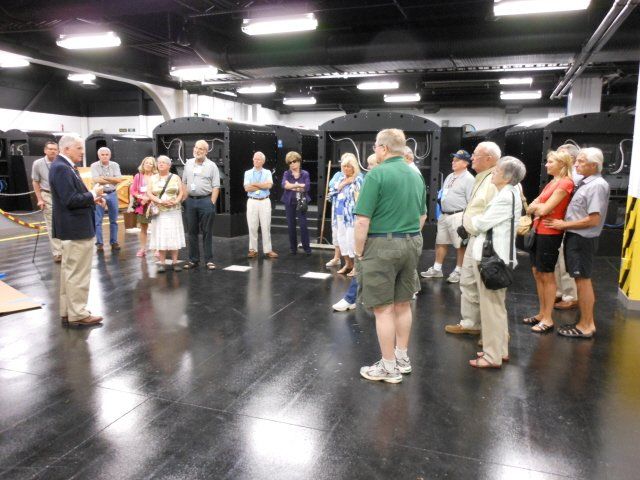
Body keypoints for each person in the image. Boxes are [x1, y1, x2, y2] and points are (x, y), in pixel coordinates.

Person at [355, 128, 427, 383]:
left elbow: (362, 221)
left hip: (382, 245)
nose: (375, 150)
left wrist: (359, 251)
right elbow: (422, 216)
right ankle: (402, 358)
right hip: (412, 242)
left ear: (384, 148)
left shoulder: (376, 174)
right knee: (403, 304)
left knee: (383, 309)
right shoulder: (415, 175)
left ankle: (388, 367)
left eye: (376, 146)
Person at [544, 147, 610, 338]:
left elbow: (593, 219)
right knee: (580, 280)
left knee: (583, 281)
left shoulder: (596, 185)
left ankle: (586, 325)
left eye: (581, 161)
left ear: (594, 165)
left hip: (582, 239)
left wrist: (563, 224)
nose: (576, 164)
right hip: (576, 237)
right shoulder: (585, 182)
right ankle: (585, 322)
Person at [467, 156, 526, 368]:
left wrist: (473, 220)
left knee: (491, 309)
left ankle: (492, 356)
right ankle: (499, 350)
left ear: (507, 177)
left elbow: (481, 224)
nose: (493, 173)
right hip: (498, 258)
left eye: (497, 171)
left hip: (493, 260)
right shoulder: (510, 193)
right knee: (497, 308)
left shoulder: (505, 197)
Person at [445, 142, 500, 335]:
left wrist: (473, 225)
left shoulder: (497, 179)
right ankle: (471, 323)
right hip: (474, 238)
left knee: (487, 288)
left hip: (487, 240)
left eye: (476, 155)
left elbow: (494, 213)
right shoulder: (481, 177)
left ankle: (491, 333)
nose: (472, 158)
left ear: (489, 159)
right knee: (468, 281)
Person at [49, 134, 104, 327]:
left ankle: (68, 311)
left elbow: (71, 197)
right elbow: (70, 200)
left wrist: (93, 199)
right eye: (79, 148)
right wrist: (93, 193)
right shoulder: (62, 168)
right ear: (66, 149)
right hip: (76, 229)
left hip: (72, 228)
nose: (83, 152)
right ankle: (78, 313)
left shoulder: (63, 166)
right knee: (78, 274)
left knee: (70, 273)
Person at [523, 150, 575, 333]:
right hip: (538, 230)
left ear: (562, 164)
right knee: (537, 272)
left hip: (549, 233)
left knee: (547, 274)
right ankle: (541, 314)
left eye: (550, 162)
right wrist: (540, 207)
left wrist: (540, 208)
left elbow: (543, 210)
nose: (546, 165)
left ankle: (548, 318)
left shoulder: (566, 183)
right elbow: (531, 208)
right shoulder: (552, 183)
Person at [332, 154, 380, 312]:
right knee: (359, 259)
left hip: (369, 225)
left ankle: (358, 298)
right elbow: (332, 191)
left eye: (372, 164)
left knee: (365, 261)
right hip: (348, 217)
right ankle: (351, 297)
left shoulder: (364, 179)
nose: (369, 168)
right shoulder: (342, 178)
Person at [421, 149, 475, 283]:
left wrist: (466, 219)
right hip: (444, 215)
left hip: (458, 215)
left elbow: (471, 202)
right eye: (453, 160)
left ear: (465, 163)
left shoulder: (469, 179)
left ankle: (459, 271)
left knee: (460, 245)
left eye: (457, 160)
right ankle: (437, 269)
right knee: (440, 242)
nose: (453, 162)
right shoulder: (450, 176)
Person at [182, 140, 220, 270]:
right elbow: (184, 183)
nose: (197, 150)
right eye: (196, 147)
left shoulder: (212, 166)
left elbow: (216, 186)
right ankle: (193, 260)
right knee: (191, 231)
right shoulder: (188, 163)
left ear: (206, 151)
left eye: (201, 149)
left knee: (207, 231)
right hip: (190, 201)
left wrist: (211, 202)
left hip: (205, 201)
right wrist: (184, 200)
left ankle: (209, 260)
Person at [553, 143, 581, 310]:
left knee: (565, 261)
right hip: (559, 224)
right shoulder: (563, 177)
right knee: (558, 260)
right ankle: (559, 291)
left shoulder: (574, 179)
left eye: (559, 156)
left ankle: (570, 296)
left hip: (568, 225)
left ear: (570, 158)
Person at [147, 156, 185, 273]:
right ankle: (162, 263)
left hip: (174, 211)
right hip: (159, 212)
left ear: (169, 165)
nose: (161, 164)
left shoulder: (175, 177)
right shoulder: (152, 178)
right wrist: (160, 201)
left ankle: (175, 262)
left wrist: (176, 201)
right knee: (161, 235)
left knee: (174, 235)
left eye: (164, 162)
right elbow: (149, 193)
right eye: (159, 162)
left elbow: (181, 192)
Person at [329, 153, 363, 275]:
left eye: (349, 166)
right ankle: (348, 264)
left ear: (354, 167)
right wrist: (343, 183)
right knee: (342, 240)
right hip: (338, 215)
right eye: (344, 166)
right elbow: (332, 191)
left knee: (351, 241)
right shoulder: (340, 178)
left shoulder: (358, 179)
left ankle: (356, 267)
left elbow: (359, 196)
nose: (346, 169)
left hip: (351, 217)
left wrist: (343, 185)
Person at [31, 140, 62, 262]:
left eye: (55, 149)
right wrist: (39, 199)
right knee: (51, 224)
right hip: (47, 195)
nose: (53, 151)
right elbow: (35, 181)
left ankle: (66, 250)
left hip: (62, 196)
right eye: (50, 149)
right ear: (45, 150)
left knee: (63, 222)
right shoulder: (38, 164)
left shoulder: (61, 162)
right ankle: (58, 252)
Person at [244, 151, 278, 258]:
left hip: (264, 201)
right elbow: (247, 188)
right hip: (252, 201)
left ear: (263, 161)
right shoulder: (247, 173)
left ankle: (268, 250)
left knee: (266, 226)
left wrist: (254, 184)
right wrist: (262, 185)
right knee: (252, 226)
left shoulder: (267, 172)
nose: (256, 160)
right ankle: (253, 250)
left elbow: (269, 186)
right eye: (254, 158)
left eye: (258, 159)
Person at [90, 147, 124, 251]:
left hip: (112, 193)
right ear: (98, 156)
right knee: (98, 220)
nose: (104, 156)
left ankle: (114, 242)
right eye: (102, 154)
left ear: (110, 155)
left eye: (106, 154)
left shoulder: (115, 165)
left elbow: (119, 179)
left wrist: (103, 178)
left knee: (114, 220)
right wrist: (112, 179)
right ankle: (99, 243)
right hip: (100, 194)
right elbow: (96, 179)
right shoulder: (94, 165)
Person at [281, 151, 312, 255]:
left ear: (299, 161)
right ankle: (293, 248)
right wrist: (298, 185)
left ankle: (307, 248)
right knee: (291, 225)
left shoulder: (305, 173)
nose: (292, 164)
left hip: (301, 201)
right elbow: (284, 185)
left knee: (303, 225)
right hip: (289, 201)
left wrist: (291, 186)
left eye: (294, 161)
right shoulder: (286, 173)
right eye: (290, 162)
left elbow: (306, 187)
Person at [129, 156, 157, 257]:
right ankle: (142, 249)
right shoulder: (138, 176)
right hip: (142, 205)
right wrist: (140, 197)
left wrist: (149, 198)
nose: (148, 165)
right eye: (146, 163)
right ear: (143, 164)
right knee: (143, 228)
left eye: (150, 163)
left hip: (153, 205)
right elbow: (133, 190)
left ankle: (157, 249)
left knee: (156, 228)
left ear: (153, 166)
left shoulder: (156, 176)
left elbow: (158, 190)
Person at [326, 167, 344, 268]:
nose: (344, 167)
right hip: (337, 209)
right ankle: (337, 258)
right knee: (336, 234)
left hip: (348, 213)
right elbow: (332, 187)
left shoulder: (357, 177)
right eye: (342, 164)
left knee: (349, 237)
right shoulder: (338, 175)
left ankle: (353, 264)